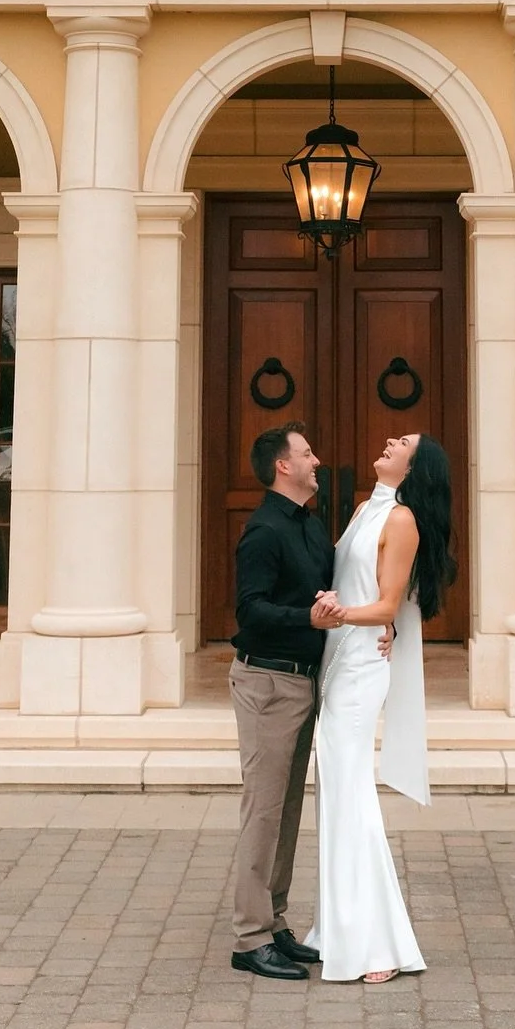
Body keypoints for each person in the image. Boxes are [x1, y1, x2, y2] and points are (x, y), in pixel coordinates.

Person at [307, 432, 457, 985]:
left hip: (359, 667)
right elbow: (362, 588)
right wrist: (344, 615)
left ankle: (378, 944)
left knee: (351, 797)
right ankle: (338, 929)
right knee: (336, 800)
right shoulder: (368, 508)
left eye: (405, 443)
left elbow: (387, 603)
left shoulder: (401, 521)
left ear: (416, 468)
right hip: (336, 658)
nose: (392, 440)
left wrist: (339, 615)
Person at [228, 421, 340, 982]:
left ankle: (273, 923)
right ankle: (249, 939)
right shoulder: (264, 530)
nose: (316, 460)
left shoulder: (311, 526)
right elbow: (250, 610)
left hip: (303, 681)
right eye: (307, 453)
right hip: (267, 683)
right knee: (264, 811)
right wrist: (307, 618)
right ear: (283, 466)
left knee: (287, 810)